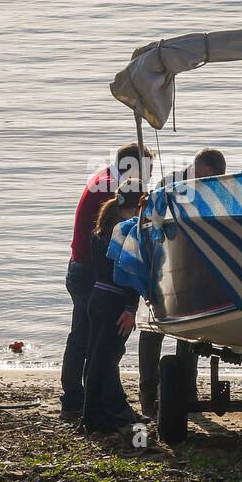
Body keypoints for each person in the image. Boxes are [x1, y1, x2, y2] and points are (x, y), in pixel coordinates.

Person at [60, 142, 151, 420]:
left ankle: (78, 398)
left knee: (84, 337)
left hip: (84, 268)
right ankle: (105, 403)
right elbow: (123, 249)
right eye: (146, 171)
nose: (146, 177)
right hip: (94, 275)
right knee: (103, 344)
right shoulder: (112, 189)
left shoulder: (107, 177)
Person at [136, 148, 227, 415]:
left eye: (208, 180)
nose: (201, 183)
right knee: (152, 331)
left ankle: (186, 389)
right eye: (200, 177)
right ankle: (148, 393)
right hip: (162, 267)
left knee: (190, 330)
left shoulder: (213, 189)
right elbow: (151, 222)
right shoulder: (171, 184)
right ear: (195, 168)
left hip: (193, 270)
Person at [82, 184, 147, 433]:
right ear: (132, 208)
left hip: (96, 298)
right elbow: (129, 274)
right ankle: (92, 418)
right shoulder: (127, 234)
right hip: (115, 304)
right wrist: (130, 309)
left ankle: (93, 414)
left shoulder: (100, 231)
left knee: (96, 357)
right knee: (106, 361)